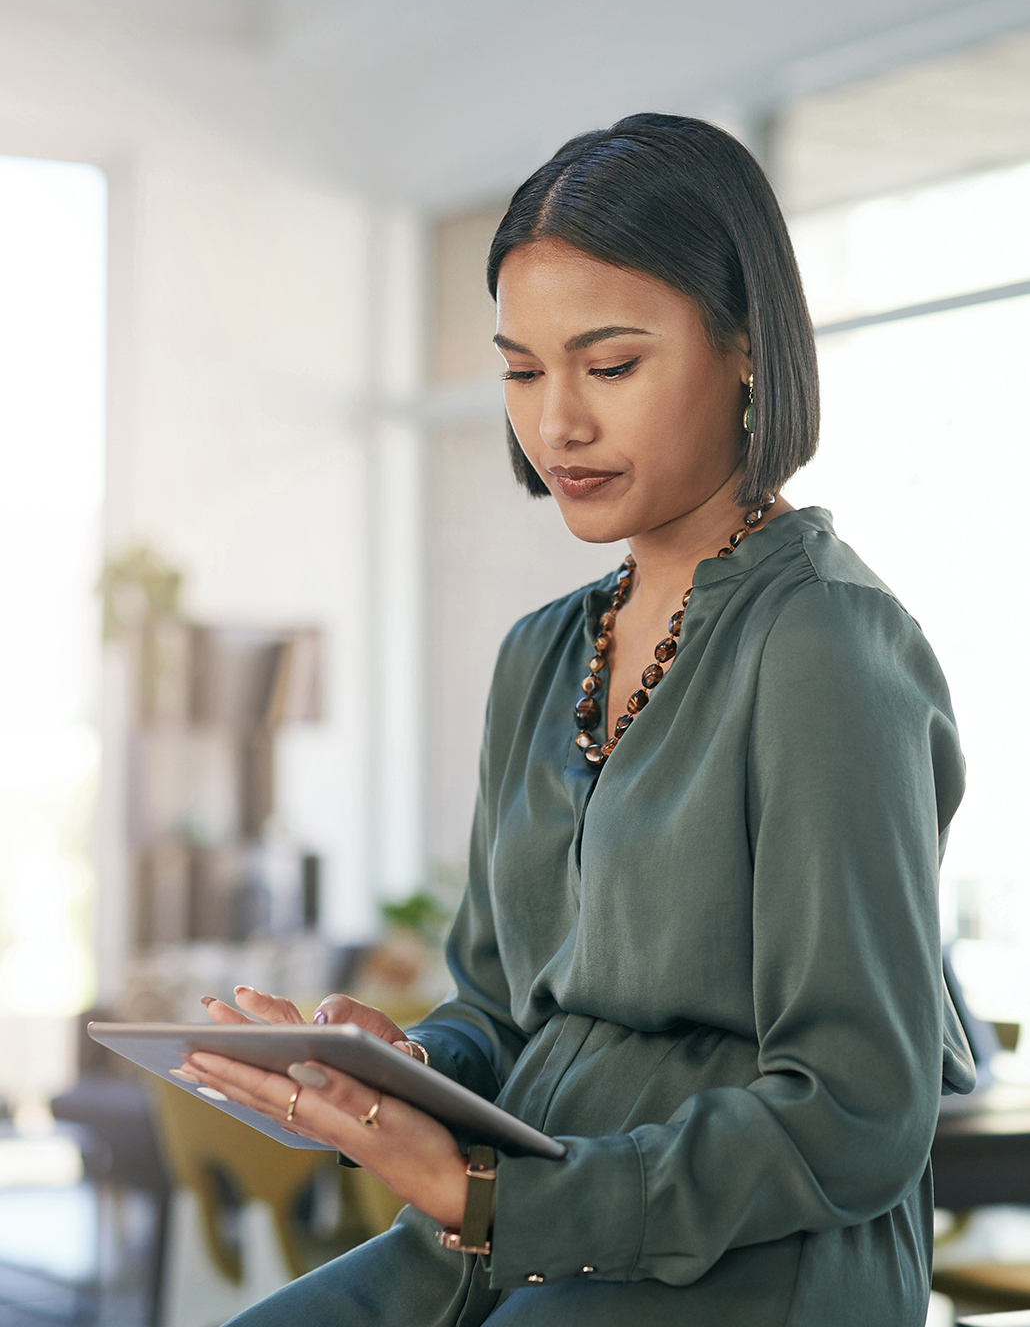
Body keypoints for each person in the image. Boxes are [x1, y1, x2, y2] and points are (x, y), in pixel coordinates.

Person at [176, 114, 975, 1326]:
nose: (556, 424)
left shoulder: (825, 647)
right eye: (519, 368)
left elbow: (857, 1108)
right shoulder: (539, 653)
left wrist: (500, 1197)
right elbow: (499, 1011)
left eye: (608, 366)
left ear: (746, 349)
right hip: (510, 1219)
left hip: (752, 1250)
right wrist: (393, 1069)